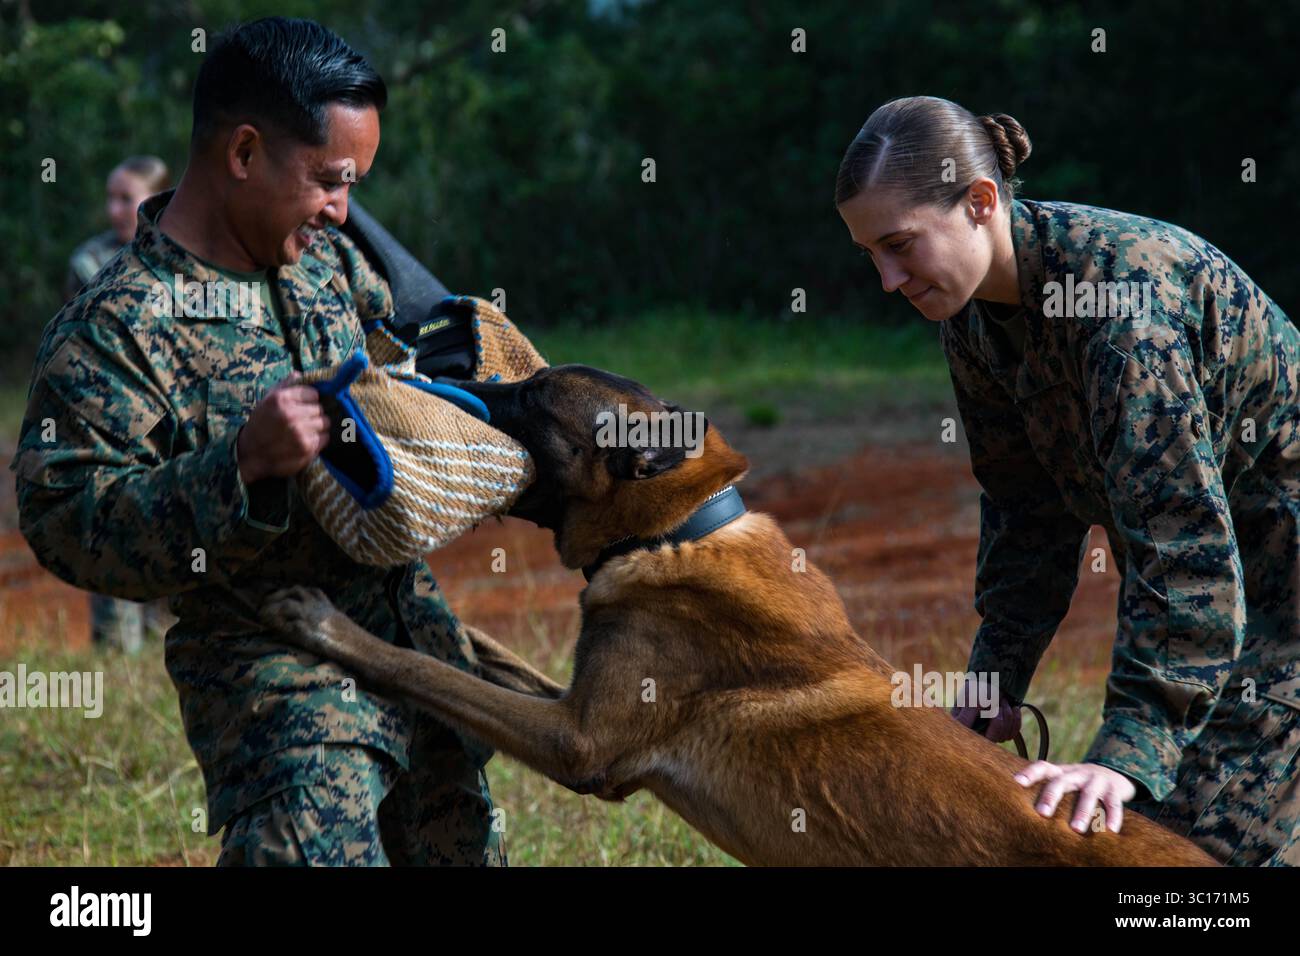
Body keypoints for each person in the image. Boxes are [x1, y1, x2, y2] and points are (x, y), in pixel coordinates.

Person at [12, 17, 541, 865]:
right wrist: (239, 468)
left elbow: (390, 361)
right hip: (281, 682)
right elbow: (65, 520)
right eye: (330, 180)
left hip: (415, 650)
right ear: (245, 152)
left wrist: (459, 394)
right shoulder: (114, 328)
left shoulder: (322, 258)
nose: (342, 207)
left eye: (353, 185)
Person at [834, 95, 1299, 866]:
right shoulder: (976, 315)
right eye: (869, 255)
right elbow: (1027, 513)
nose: (888, 279)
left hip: (1276, 596)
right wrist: (996, 681)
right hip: (1230, 589)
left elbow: (1183, 549)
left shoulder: (1125, 312)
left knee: (1180, 862)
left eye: (900, 245)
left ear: (980, 202)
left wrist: (1127, 755)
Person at [64, 155, 175, 653]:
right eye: (110, 197)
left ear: (152, 201)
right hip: (109, 422)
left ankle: (163, 644)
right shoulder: (89, 264)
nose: (113, 209)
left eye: (125, 199)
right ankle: (116, 655)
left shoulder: (183, 257)